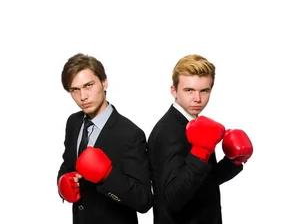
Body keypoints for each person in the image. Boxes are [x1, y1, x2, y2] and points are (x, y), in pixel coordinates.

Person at [148, 54, 254, 224]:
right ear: (173, 91)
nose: (197, 99)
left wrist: (232, 162)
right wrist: (201, 151)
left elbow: (205, 183)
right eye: (189, 90)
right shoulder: (168, 131)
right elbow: (173, 198)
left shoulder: (196, 126)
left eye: (204, 90)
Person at [56, 53, 153, 224]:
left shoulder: (130, 134)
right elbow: (67, 163)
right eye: (75, 90)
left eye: (89, 85)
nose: (83, 96)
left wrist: (108, 177)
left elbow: (144, 201)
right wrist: (63, 181)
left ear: (104, 82)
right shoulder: (73, 122)